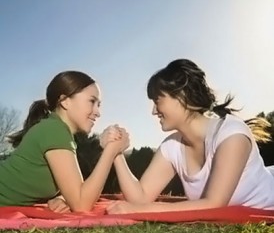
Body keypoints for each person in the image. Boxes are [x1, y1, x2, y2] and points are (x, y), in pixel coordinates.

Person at [103, 59, 274, 214]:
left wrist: (139, 211)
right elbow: (140, 198)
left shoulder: (231, 135)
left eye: (157, 101)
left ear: (182, 96)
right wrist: (116, 152)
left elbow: (214, 203)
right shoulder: (172, 146)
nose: (154, 111)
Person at [0, 71, 129, 212]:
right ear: (65, 101)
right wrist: (110, 151)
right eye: (92, 101)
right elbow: (81, 204)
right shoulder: (54, 130)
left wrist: (63, 197)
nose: (98, 112)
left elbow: (76, 190)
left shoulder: (56, 130)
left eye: (99, 104)